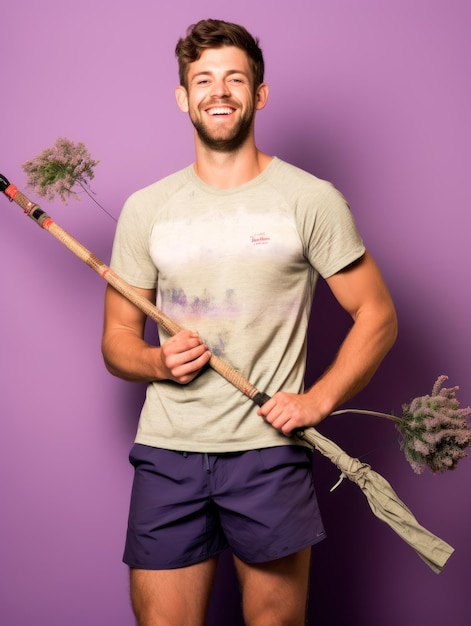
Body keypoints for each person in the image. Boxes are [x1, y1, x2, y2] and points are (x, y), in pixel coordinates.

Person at [102, 18, 397, 626]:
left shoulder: (309, 198)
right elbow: (116, 343)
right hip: (168, 453)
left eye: (235, 78)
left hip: (268, 453)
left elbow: (378, 314)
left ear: (258, 94)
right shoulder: (145, 210)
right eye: (203, 79)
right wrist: (157, 361)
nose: (219, 90)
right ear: (183, 97)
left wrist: (319, 399)